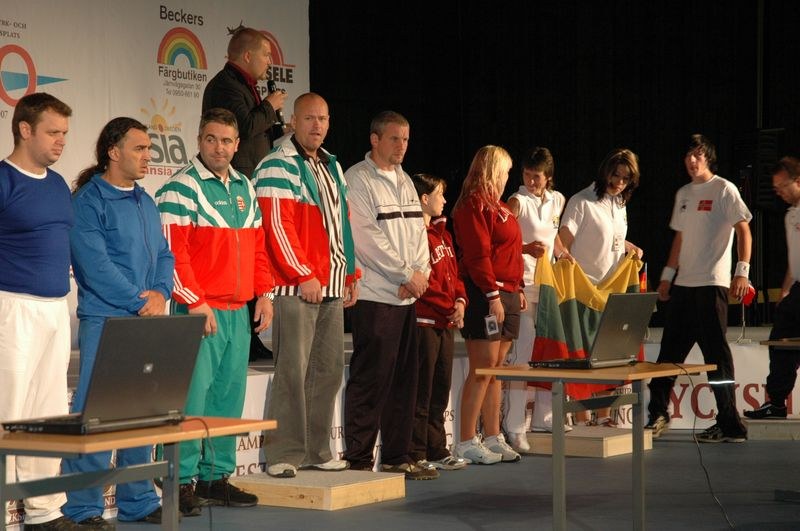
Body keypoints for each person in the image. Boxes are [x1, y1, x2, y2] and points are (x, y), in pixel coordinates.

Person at [155, 108, 274, 515]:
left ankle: (214, 476)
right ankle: (180, 479)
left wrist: (264, 293)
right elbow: (172, 255)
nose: (218, 148)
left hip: (238, 310)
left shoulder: (244, 185)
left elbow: (259, 246)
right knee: (192, 398)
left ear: (237, 144)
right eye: (211, 139)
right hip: (197, 310)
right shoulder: (180, 188)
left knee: (227, 398)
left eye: (226, 141)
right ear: (199, 139)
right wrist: (196, 301)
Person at [64, 118, 174, 529]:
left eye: (149, 149)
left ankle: (139, 500)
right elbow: (94, 266)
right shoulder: (88, 202)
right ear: (113, 151)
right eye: (140, 148)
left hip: (146, 318)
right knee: (98, 414)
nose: (148, 156)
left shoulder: (145, 200)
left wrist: (161, 292)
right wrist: (137, 300)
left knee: (143, 412)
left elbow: (164, 254)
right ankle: (82, 508)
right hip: (107, 319)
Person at [253, 93, 359, 478]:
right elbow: (276, 227)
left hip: (329, 284)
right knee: (292, 372)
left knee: (328, 371)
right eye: (309, 118)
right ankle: (283, 453)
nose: (317, 125)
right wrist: (303, 274)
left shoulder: (331, 164)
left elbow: (343, 223)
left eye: (323, 118)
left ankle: (316, 449)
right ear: (293, 121)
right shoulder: (277, 165)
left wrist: (351, 273)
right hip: (294, 288)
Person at [0, 93, 83, 531]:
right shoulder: (3, 180)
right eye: (53, 132)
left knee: (46, 413)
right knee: (6, 410)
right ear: (25, 129)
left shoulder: (55, 183)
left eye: (65, 134)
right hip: (11, 309)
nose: (61, 141)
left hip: (54, 309)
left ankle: (44, 510)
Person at [343, 111, 436, 480]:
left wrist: (420, 275)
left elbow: (419, 234)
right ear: (375, 140)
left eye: (406, 139)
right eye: (395, 138)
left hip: (407, 297)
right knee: (371, 380)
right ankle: (360, 460)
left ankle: (397, 456)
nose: (402, 146)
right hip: (376, 297)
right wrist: (404, 274)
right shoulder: (357, 179)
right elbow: (365, 239)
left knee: (404, 382)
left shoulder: (405, 182)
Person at [647, 134, 752, 443]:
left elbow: (744, 229)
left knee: (717, 357)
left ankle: (730, 424)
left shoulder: (724, 189)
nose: (692, 161)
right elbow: (679, 239)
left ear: (708, 158)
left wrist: (741, 272)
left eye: (698, 155)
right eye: (688, 156)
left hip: (712, 285)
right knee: (668, 355)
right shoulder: (683, 193)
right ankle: (658, 414)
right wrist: (667, 276)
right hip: (683, 288)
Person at [202, 26, 288, 361]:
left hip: (250, 180)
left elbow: (256, 131)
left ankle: (251, 337)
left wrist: (281, 128)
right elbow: (242, 128)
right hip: (231, 183)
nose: (270, 61)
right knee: (237, 256)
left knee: (251, 255)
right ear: (248, 55)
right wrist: (268, 106)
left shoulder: (245, 86)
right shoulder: (225, 85)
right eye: (266, 54)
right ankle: (245, 339)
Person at [452, 145, 526, 465]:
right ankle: (466, 440)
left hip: (508, 293)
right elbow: (478, 255)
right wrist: (493, 295)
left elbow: (512, 252)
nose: (507, 178)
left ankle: (494, 436)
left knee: (496, 372)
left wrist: (517, 288)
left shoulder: (500, 207)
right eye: (505, 171)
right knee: (482, 370)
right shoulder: (472, 207)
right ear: (492, 169)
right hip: (486, 294)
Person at [558, 148, 642, 426]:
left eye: (625, 179)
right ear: (604, 170)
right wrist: (564, 264)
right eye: (615, 175)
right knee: (583, 359)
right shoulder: (581, 202)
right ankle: (582, 420)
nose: (618, 182)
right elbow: (561, 241)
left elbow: (611, 242)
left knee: (607, 359)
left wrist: (631, 248)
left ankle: (604, 417)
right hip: (584, 292)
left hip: (611, 294)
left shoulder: (620, 205)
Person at [504, 147, 572, 451]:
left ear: (548, 178)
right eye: (527, 175)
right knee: (521, 356)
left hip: (548, 287)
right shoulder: (516, 202)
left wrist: (563, 253)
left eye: (537, 177)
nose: (531, 182)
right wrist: (524, 250)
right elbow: (501, 242)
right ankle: (515, 427)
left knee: (549, 352)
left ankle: (545, 417)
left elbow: (553, 236)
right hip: (523, 285)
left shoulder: (558, 200)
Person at [409, 173, 469, 472]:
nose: (444, 200)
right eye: (440, 194)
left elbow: (454, 275)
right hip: (423, 321)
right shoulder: (413, 235)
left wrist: (459, 301)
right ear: (424, 198)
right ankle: (416, 452)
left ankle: (436, 448)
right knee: (421, 390)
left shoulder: (443, 234)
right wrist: (448, 305)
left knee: (440, 388)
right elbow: (422, 281)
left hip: (445, 322)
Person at [744, 157, 800, 419]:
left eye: (781, 186)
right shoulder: (791, 214)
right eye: (775, 187)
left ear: (798, 181)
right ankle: (777, 403)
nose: (777, 191)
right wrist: (786, 290)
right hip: (798, 290)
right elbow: (795, 259)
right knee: (780, 342)